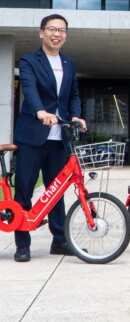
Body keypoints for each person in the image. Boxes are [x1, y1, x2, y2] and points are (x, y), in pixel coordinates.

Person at [13, 14, 86, 262]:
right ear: (41, 32)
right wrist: (40, 111)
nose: (57, 34)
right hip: (32, 136)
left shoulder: (69, 63)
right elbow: (29, 88)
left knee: (56, 191)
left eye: (62, 30)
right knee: (24, 189)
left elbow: (73, 94)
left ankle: (59, 240)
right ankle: (22, 243)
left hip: (59, 139)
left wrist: (76, 115)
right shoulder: (29, 61)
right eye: (52, 29)